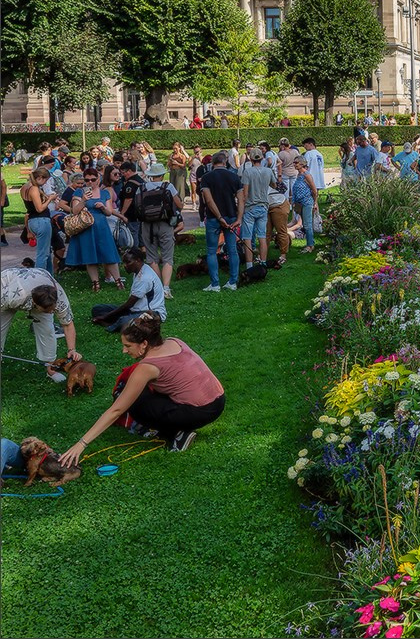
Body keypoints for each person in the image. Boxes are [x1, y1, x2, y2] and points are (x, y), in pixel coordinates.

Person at [59, 314, 225, 461]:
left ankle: (178, 434)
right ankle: (177, 427)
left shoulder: (147, 367)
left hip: (199, 412)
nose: (124, 351)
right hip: (218, 401)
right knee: (138, 391)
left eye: (128, 346)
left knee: (132, 402)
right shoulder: (175, 341)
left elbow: (116, 410)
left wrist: (81, 444)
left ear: (144, 343)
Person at [1, 267, 82, 374]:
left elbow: (67, 325)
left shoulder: (60, 300)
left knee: (47, 328)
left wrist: (72, 350)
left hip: (40, 278)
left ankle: (51, 368)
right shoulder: (14, 297)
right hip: (8, 282)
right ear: (35, 304)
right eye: (47, 310)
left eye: (53, 309)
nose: (51, 312)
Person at [65, 168, 124, 292]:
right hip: (86, 228)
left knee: (109, 254)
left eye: (93, 179)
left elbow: (109, 212)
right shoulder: (79, 192)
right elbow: (74, 211)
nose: (90, 182)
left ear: (98, 179)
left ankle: (118, 281)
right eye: (87, 180)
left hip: (101, 226)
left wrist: (103, 207)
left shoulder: (104, 193)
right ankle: (95, 283)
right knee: (89, 255)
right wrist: (83, 201)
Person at [137, 163, 185, 298]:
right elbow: (179, 205)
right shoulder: (168, 186)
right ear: (163, 175)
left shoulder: (142, 187)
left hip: (147, 225)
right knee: (167, 257)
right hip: (165, 224)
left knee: (151, 257)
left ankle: (157, 287)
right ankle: (165, 288)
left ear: (151, 175)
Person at [198, 151, 244, 292]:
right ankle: (233, 281)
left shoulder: (206, 178)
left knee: (212, 251)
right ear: (225, 162)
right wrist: (239, 218)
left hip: (214, 218)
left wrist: (219, 217)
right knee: (232, 250)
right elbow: (241, 200)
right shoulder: (234, 177)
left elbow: (209, 201)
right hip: (231, 216)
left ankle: (215, 283)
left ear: (212, 163)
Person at [92, 247, 167, 332]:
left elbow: (129, 304)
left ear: (138, 260)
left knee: (123, 321)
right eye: (124, 262)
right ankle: (120, 321)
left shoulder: (145, 278)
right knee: (97, 309)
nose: (125, 266)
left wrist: (106, 316)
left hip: (151, 313)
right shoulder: (139, 270)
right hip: (134, 311)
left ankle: (113, 324)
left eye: (128, 262)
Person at [239, 148, 276, 271]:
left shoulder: (247, 172)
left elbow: (245, 193)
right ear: (262, 158)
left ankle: (249, 264)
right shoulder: (268, 171)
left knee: (248, 237)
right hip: (263, 206)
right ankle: (263, 262)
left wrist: (240, 208)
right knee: (262, 236)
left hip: (250, 206)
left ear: (250, 158)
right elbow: (274, 185)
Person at [20, 168, 57, 271]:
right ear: (40, 178)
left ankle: (49, 276)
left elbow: (29, 209)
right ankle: (38, 277)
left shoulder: (24, 187)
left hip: (32, 221)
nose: (45, 183)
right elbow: (39, 208)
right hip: (41, 221)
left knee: (47, 251)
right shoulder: (34, 189)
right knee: (42, 254)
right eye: (45, 180)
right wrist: (50, 199)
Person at [291, 157, 319, 253]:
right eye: (294, 163)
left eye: (296, 163)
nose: (295, 164)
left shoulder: (306, 175)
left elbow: (314, 190)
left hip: (307, 202)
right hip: (300, 203)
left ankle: (310, 245)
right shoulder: (299, 175)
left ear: (302, 164)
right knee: (305, 224)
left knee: (307, 225)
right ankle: (309, 243)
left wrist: (315, 202)